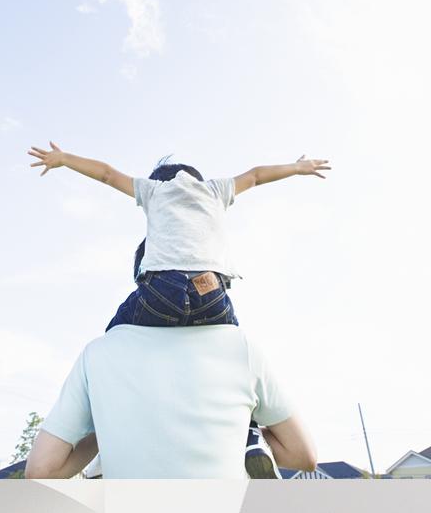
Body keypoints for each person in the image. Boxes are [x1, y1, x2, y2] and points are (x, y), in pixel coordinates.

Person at [26, 142, 330, 477]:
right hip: (210, 289)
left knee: (115, 331)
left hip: (161, 289)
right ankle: (249, 436)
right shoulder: (216, 189)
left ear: (160, 180)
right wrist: (297, 167)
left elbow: (107, 174)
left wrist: (64, 159)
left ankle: (103, 412)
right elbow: (257, 176)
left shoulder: (154, 190)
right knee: (233, 334)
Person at [24, 324, 317, 479]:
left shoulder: (97, 354)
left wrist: (107, 431)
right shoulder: (241, 347)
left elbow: (41, 469)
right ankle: (248, 437)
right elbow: (304, 456)